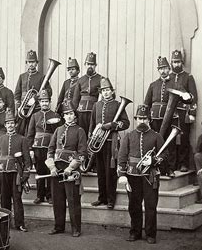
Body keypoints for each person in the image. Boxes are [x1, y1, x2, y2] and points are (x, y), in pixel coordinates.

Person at [117, 105, 167, 244]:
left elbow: (164, 154)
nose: (142, 121)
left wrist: (154, 160)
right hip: (132, 176)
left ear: (149, 120)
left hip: (150, 176)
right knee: (134, 205)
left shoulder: (157, 136)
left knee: (151, 206)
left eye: (145, 118)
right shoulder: (129, 136)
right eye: (140, 118)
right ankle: (135, 232)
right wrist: (122, 173)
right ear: (136, 119)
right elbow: (122, 156)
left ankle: (151, 234)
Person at [46, 100, 87, 237]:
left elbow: (82, 154)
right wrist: (51, 167)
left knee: (73, 200)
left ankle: (76, 228)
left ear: (75, 115)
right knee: (57, 199)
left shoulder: (80, 131)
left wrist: (71, 168)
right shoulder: (58, 130)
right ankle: (59, 226)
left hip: (71, 169)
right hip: (57, 169)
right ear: (63, 116)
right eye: (66, 114)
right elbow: (50, 150)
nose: (69, 116)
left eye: (71, 114)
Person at [89, 78, 130, 209]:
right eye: (103, 91)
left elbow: (126, 123)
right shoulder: (97, 105)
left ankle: (111, 199)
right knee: (100, 171)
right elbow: (92, 123)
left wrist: (112, 125)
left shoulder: (118, 105)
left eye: (108, 90)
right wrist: (91, 136)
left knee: (110, 172)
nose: (106, 93)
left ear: (112, 91)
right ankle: (102, 198)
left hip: (111, 142)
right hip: (98, 142)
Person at [0, 109, 31, 232]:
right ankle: (5, 223)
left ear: (16, 124)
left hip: (16, 172)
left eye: (12, 123)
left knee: (17, 198)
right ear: (5, 125)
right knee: (4, 198)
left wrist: (26, 173)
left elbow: (27, 159)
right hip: (3, 171)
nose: (10, 125)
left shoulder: (22, 139)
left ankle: (20, 223)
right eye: (8, 123)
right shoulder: (0, 138)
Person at [144, 56, 177, 177]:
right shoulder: (153, 85)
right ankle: (155, 167)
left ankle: (170, 169)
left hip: (169, 118)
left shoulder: (175, 84)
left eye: (165, 68)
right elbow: (147, 103)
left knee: (169, 144)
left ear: (169, 69)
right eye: (160, 69)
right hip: (155, 119)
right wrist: (147, 118)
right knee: (154, 143)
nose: (163, 71)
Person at [27, 89, 61, 204]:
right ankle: (39, 195)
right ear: (39, 103)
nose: (44, 103)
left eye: (46, 101)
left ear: (50, 102)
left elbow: (59, 134)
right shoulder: (35, 116)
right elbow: (30, 134)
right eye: (42, 101)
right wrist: (30, 149)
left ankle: (50, 195)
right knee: (40, 171)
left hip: (50, 148)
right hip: (37, 148)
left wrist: (57, 149)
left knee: (50, 171)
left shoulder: (55, 115)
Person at [168, 50, 198, 172]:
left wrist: (192, 113)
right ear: (171, 63)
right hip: (170, 113)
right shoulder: (168, 77)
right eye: (174, 62)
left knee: (183, 138)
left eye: (178, 62)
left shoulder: (188, 77)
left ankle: (183, 164)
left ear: (182, 62)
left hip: (183, 112)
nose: (176, 64)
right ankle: (172, 164)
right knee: (171, 139)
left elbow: (193, 97)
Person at [14, 50, 52, 135]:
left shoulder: (42, 77)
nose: (31, 64)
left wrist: (35, 98)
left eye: (33, 62)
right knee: (21, 131)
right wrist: (18, 107)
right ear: (26, 63)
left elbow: (49, 92)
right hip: (23, 109)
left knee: (33, 130)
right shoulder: (22, 76)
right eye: (29, 62)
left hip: (35, 109)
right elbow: (17, 94)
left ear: (36, 63)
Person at [72, 52, 103, 135]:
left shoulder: (101, 79)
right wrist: (74, 112)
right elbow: (75, 98)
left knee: (93, 133)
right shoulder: (80, 80)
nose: (90, 66)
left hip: (94, 111)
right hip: (81, 111)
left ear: (95, 65)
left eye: (92, 64)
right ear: (85, 65)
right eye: (88, 64)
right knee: (81, 133)